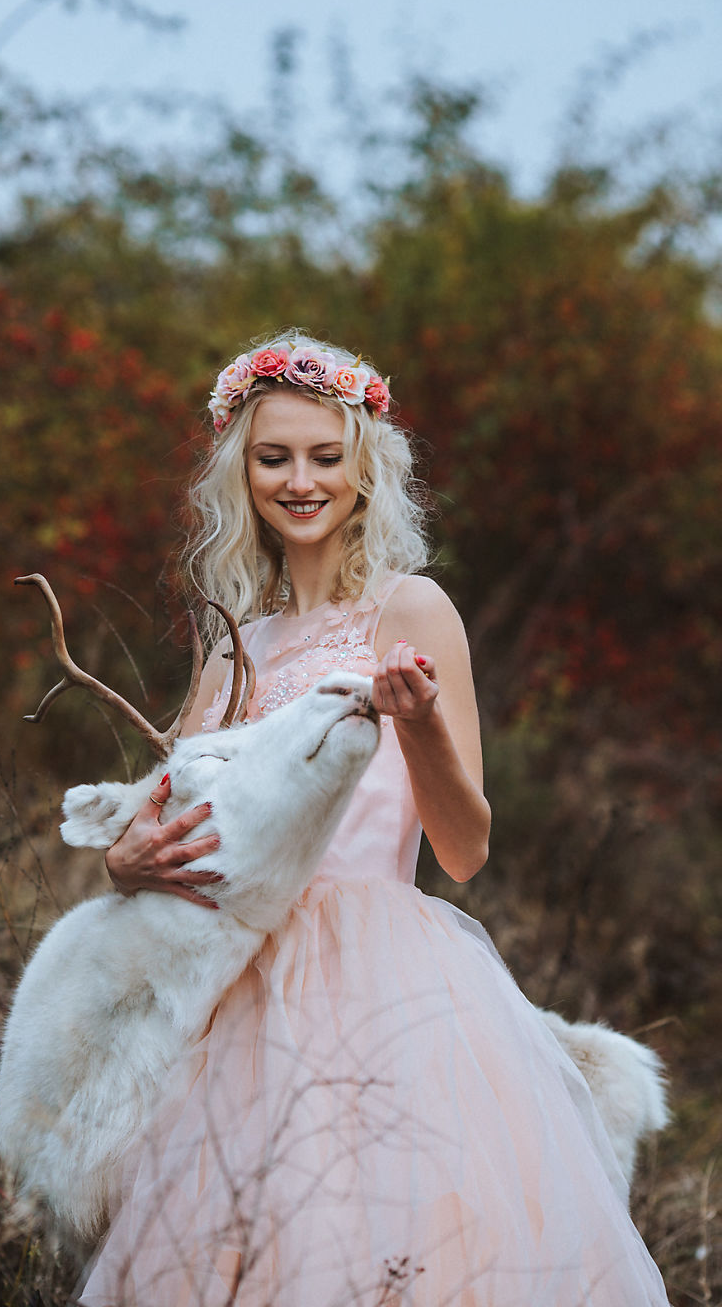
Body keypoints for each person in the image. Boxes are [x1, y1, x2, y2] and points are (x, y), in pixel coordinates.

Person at [78, 334, 669, 1306]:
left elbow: (465, 851)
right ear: (241, 471)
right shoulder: (231, 644)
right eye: (274, 458)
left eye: (325, 456)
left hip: (380, 979)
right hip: (230, 991)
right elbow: (167, 823)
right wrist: (123, 863)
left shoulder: (412, 609)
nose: (300, 480)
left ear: (365, 468)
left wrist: (423, 719)